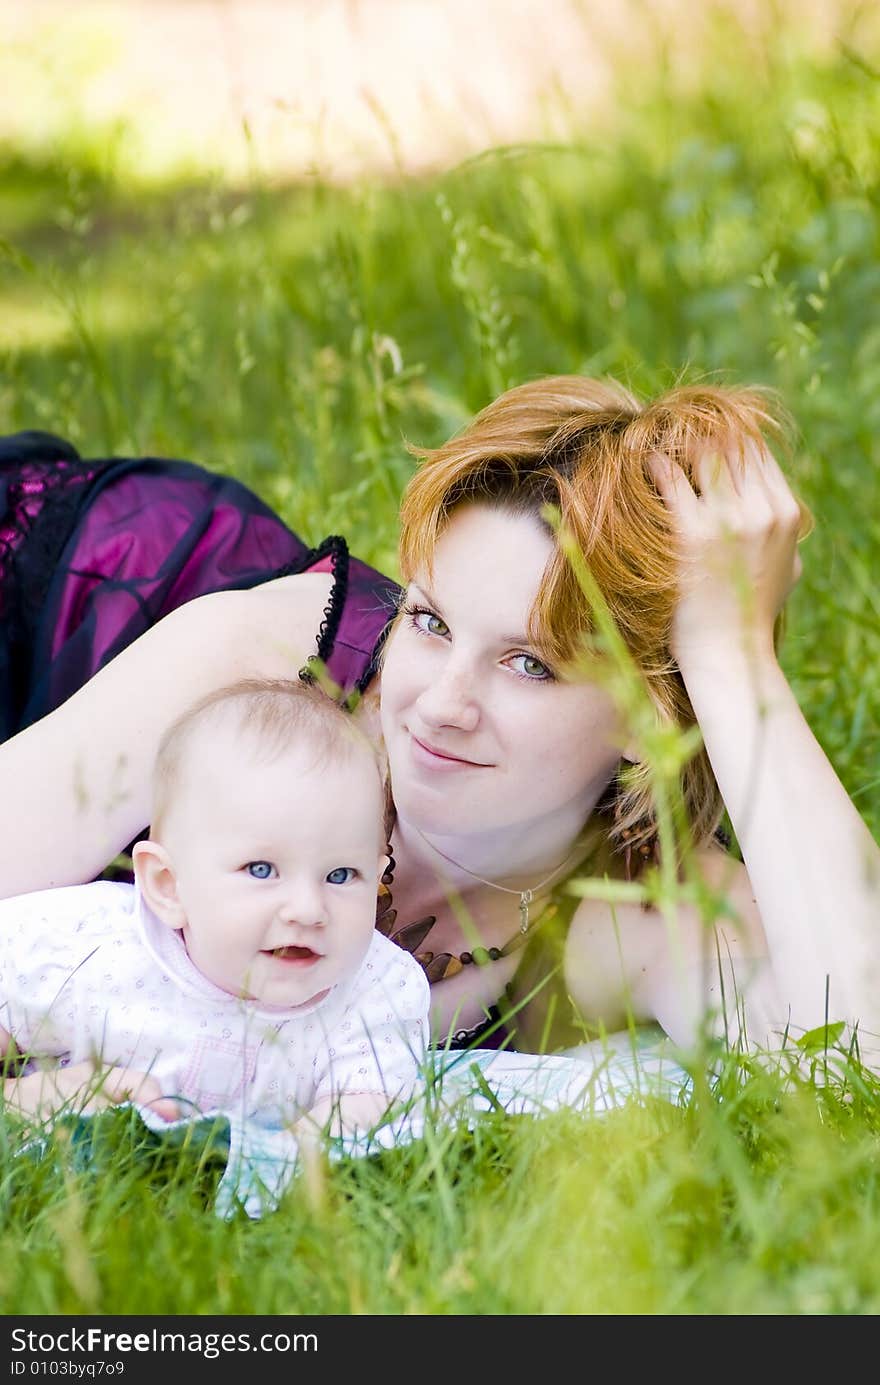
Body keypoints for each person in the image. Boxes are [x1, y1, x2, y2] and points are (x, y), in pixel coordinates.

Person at [0, 375, 878, 1091]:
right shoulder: (270, 666)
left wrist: (732, 654)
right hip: (63, 591)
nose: (439, 703)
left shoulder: (633, 905)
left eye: (529, 664)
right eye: (430, 621)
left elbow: (858, 1065)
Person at [0, 677, 430, 1131]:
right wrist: (25, 1098)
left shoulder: (373, 992)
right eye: (261, 869)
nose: (307, 909)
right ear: (168, 885)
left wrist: (283, 1162)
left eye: (340, 875)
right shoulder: (86, 946)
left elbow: (370, 1114)